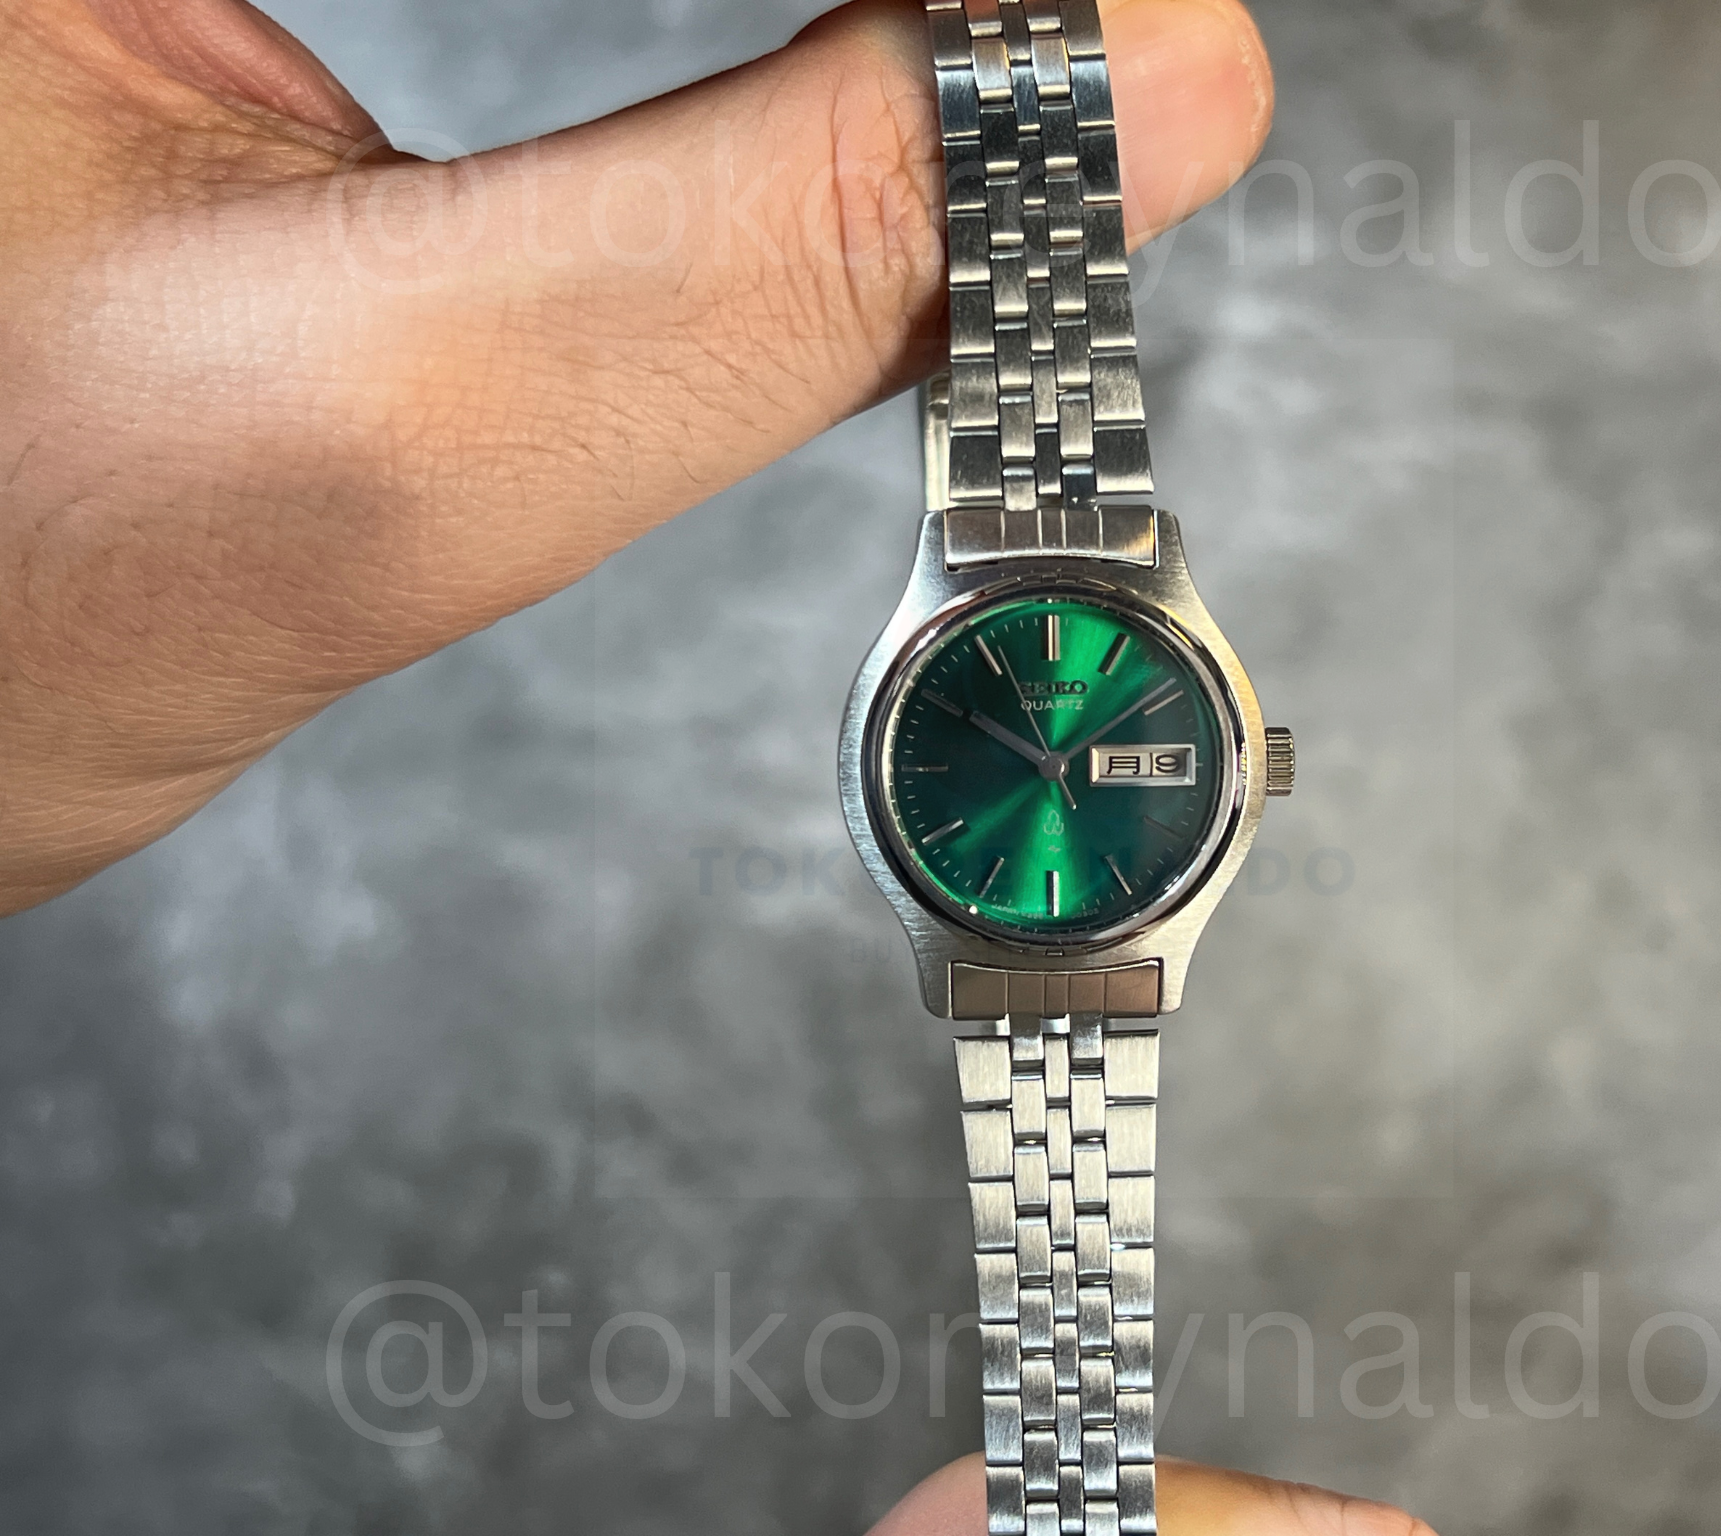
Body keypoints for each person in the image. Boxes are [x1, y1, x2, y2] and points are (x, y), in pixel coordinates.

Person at [0, 2, 1438, 1528]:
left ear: (1245, 765)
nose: (1060, 769)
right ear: (1242, 759)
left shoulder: (1014, 732)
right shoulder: (1044, 721)